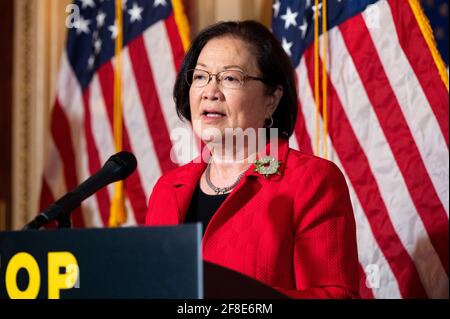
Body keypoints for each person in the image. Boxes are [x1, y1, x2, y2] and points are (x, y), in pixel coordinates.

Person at [145, 20, 360, 298]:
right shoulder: (167, 189)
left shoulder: (312, 182)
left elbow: (336, 296)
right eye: (200, 77)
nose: (210, 91)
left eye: (230, 78)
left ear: (272, 98)